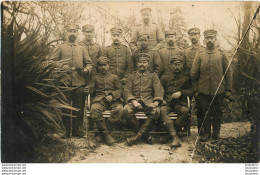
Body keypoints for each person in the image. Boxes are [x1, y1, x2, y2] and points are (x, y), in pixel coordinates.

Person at [50, 23, 93, 138]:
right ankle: (65, 131)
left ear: (77, 33)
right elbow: (51, 61)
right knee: (65, 107)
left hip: (79, 82)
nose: (72, 33)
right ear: (66, 33)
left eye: (74, 31)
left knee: (79, 108)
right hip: (65, 82)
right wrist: (62, 66)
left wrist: (86, 70)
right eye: (70, 31)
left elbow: (89, 63)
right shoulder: (60, 47)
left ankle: (77, 131)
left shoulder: (82, 48)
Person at [190, 29, 233, 141]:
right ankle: (207, 134)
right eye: (207, 38)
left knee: (217, 112)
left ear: (215, 39)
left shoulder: (222, 54)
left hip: (219, 90)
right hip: (203, 90)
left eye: (212, 38)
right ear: (204, 40)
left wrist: (228, 90)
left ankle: (216, 134)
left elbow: (228, 72)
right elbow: (194, 74)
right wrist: (195, 90)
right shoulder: (199, 55)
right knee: (205, 112)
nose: (210, 40)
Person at [123, 53, 164, 146]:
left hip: (148, 101)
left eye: (144, 62)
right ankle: (145, 136)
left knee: (156, 111)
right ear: (137, 64)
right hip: (135, 101)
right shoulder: (131, 76)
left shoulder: (153, 76)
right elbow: (127, 90)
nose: (142, 64)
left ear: (148, 64)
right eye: (140, 62)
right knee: (126, 109)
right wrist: (133, 101)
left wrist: (156, 102)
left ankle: (136, 138)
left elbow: (158, 89)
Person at [84, 57, 123, 146]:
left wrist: (112, 95)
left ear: (108, 66)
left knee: (119, 109)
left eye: (105, 65)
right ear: (97, 67)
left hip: (113, 101)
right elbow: (91, 86)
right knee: (94, 109)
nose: (103, 68)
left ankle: (104, 134)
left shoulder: (114, 77)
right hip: (99, 100)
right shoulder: (95, 78)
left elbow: (119, 90)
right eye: (100, 65)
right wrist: (88, 89)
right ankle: (106, 135)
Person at [160, 56, 193, 147]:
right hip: (166, 102)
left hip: (180, 103)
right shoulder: (164, 77)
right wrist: (161, 99)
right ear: (170, 65)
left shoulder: (186, 77)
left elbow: (191, 91)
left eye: (179, 64)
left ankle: (169, 135)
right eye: (175, 65)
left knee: (185, 111)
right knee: (162, 111)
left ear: (182, 65)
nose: (177, 67)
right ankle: (175, 137)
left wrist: (181, 92)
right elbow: (159, 90)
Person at [184, 27, 204, 134]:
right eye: (191, 34)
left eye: (195, 34)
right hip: (188, 83)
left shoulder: (204, 50)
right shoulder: (186, 51)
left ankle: (201, 131)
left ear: (199, 36)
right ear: (189, 36)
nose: (193, 36)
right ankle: (186, 130)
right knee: (187, 106)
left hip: (200, 83)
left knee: (201, 107)